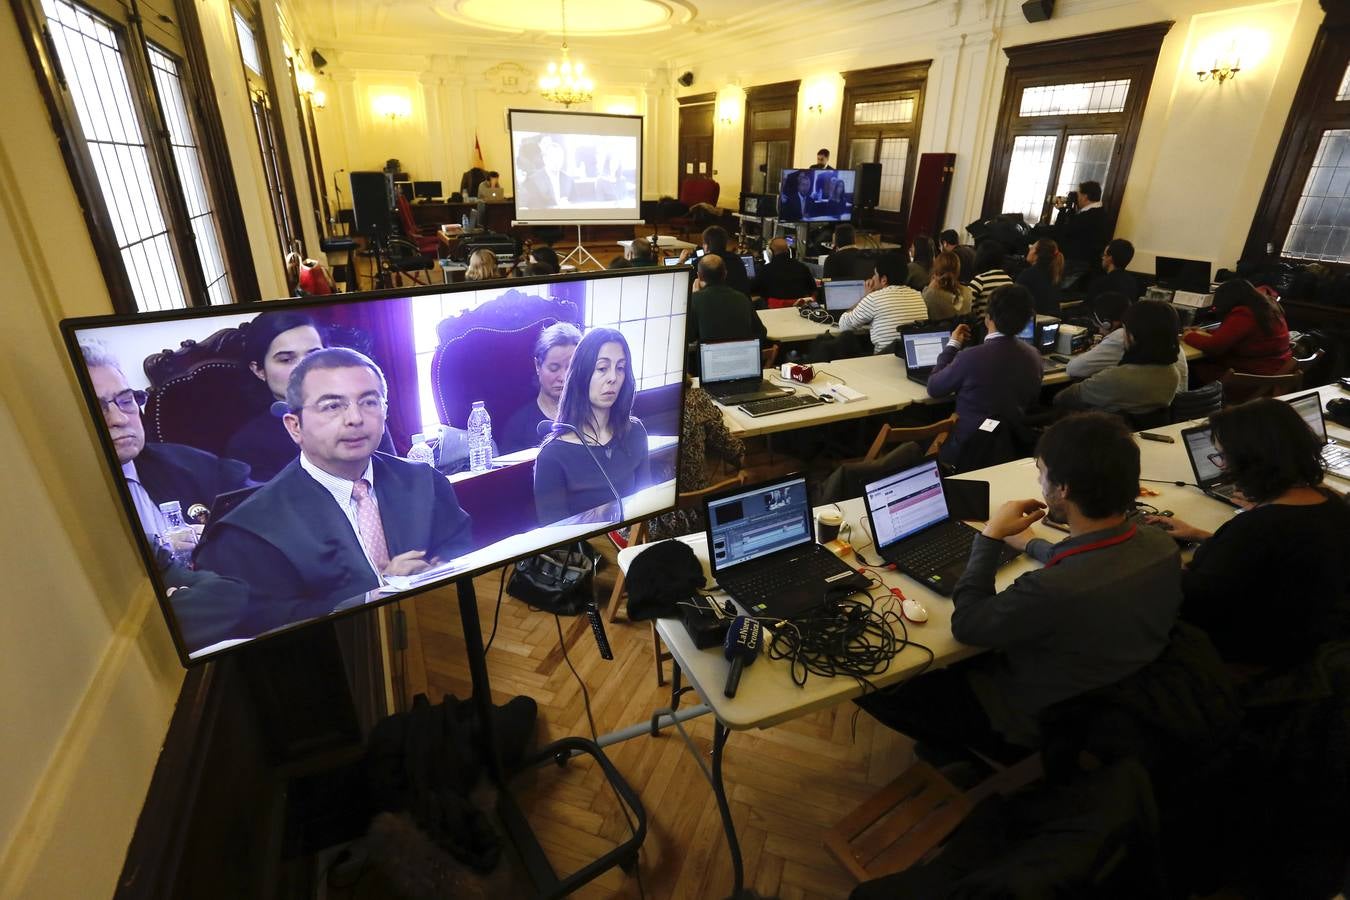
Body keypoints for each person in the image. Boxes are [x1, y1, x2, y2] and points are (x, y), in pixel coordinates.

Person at [856, 412, 1182, 756]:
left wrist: (990, 535)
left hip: (1034, 716)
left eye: (1041, 472)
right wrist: (1030, 544)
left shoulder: (1052, 589)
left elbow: (967, 624)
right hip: (1118, 692)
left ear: (1064, 488)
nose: (1039, 481)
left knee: (871, 683)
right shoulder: (1160, 545)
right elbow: (1091, 561)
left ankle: (958, 749)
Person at [196, 349, 474, 631]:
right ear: (295, 427)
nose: (355, 418)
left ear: (385, 411)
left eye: (369, 402)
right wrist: (380, 591)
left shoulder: (423, 481)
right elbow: (272, 620)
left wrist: (433, 572)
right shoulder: (252, 530)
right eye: (332, 406)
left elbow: (460, 552)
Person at [1149, 399, 1350, 668]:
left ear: (1251, 462)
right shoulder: (1331, 503)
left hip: (1254, 654)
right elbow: (1271, 560)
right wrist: (1201, 535)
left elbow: (1194, 600)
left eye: (1222, 456)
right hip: (1309, 636)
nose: (1221, 466)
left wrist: (1157, 555)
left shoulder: (1258, 529)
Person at [82, 341, 253, 544]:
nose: (120, 419)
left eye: (126, 401)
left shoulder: (192, 465)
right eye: (97, 408)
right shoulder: (62, 505)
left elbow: (259, 509)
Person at [225, 311, 396, 482]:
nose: (304, 368)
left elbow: (393, 480)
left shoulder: (363, 413)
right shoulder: (247, 445)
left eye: (314, 355)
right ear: (258, 370)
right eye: (286, 360)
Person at [534, 328, 651, 524]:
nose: (613, 377)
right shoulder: (551, 456)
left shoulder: (635, 432)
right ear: (581, 374)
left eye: (620, 368)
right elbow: (555, 534)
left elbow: (649, 507)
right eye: (602, 368)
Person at [925, 285, 1043, 467]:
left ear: (988, 318)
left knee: (920, 441)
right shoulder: (1034, 356)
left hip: (967, 449)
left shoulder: (969, 357)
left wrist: (952, 345)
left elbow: (934, 388)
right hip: (1011, 446)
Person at [647, 378, 746, 542]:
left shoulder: (630, 410)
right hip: (700, 513)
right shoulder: (697, 399)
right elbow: (733, 450)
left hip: (649, 525)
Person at [1054, 300, 1182, 417]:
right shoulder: (1173, 374)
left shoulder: (1116, 378)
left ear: (1132, 337)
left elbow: (1063, 398)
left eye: (1124, 330)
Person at [1066, 293, 1188, 388]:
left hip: (1150, 407)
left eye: (1099, 325)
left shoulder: (1122, 337)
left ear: (1108, 323)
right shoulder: (1164, 337)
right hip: (1173, 405)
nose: (1099, 330)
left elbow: (1075, 369)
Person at [1183, 279, 1292, 382]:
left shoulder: (1244, 313)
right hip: (1273, 371)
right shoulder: (1266, 307)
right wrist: (1207, 332)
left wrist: (1188, 335)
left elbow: (1213, 347)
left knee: (1187, 368)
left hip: (1249, 378)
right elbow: (1242, 334)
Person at [499, 322, 581, 454]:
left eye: (570, 368)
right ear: (538, 366)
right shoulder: (519, 426)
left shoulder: (593, 416)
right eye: (554, 368)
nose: (563, 377)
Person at [837, 253, 927, 353]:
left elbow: (844, 325)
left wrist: (865, 297)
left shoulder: (873, 299)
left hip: (884, 358)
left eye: (875, 274)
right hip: (912, 356)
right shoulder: (918, 296)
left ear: (884, 279)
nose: (872, 278)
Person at [687, 255, 769, 346]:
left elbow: (689, 337)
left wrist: (694, 296)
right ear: (725, 274)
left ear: (699, 276)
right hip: (741, 353)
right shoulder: (742, 298)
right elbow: (761, 332)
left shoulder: (695, 300)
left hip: (711, 354)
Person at [1052, 180, 1109, 272]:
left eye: (1078, 195)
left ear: (1085, 197)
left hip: (1077, 263)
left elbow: (1061, 232)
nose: (1077, 198)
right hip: (1090, 262)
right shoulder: (1100, 212)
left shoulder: (1087, 216)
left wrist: (1062, 211)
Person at [678, 226, 750, 294]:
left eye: (703, 243)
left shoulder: (700, 262)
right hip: (739, 302)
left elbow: (680, 285)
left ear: (706, 246)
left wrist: (681, 262)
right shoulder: (737, 260)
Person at [750, 237, 816, 302]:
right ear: (788, 250)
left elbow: (753, 290)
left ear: (770, 252)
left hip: (774, 307)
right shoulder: (802, 267)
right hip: (798, 307)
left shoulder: (765, 270)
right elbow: (813, 289)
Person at [516, 134, 572, 209]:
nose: (548, 145)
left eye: (550, 142)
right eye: (545, 143)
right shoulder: (533, 177)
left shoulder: (567, 179)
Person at [1085, 238, 1141, 310]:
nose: (1102, 258)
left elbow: (1088, 308)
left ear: (1110, 258)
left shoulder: (1101, 283)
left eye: (1104, 255)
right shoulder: (1132, 282)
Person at [967, 241, 1014, 321]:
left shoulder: (980, 280)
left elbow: (967, 306)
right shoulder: (1008, 280)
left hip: (984, 325)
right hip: (1004, 324)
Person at [1016, 237, 1064, 317]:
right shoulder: (1055, 274)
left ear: (1036, 253)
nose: (1029, 249)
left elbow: (1015, 303)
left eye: (1032, 248)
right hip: (1054, 319)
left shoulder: (1028, 275)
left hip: (1035, 321)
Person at [922, 250, 973, 320]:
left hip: (938, 327)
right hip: (963, 327)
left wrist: (929, 287)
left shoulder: (930, 295)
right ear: (958, 271)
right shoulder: (968, 293)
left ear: (935, 272)